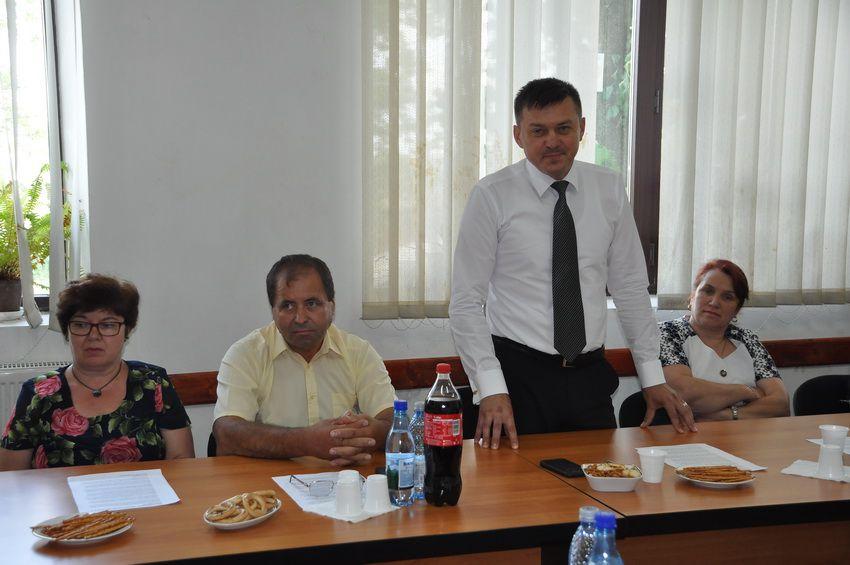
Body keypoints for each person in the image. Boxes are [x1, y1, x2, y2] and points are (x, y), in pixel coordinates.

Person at [450, 78, 696, 450]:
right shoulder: (491, 195)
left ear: (582, 128)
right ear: (518, 135)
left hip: (589, 377)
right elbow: (466, 302)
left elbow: (630, 289)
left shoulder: (608, 189)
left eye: (563, 128)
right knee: (518, 486)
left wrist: (652, 377)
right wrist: (490, 388)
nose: (552, 141)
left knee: (600, 480)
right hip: (518, 379)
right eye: (538, 131)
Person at [212, 254, 396, 466]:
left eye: (312, 304)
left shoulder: (359, 352)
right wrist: (306, 442)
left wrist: (371, 432)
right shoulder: (246, 354)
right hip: (267, 481)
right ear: (273, 311)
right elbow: (226, 434)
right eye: (288, 306)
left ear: (331, 307)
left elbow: (393, 419)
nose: (300, 318)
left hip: (341, 478)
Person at [0, 274, 194, 470]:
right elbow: (10, 473)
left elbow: (181, 458)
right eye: (81, 324)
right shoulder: (37, 392)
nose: (93, 336)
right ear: (67, 332)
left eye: (108, 325)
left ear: (127, 331)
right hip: (60, 492)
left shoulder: (153, 383)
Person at [659, 259, 789, 421]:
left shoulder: (747, 340)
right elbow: (683, 394)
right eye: (708, 291)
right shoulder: (668, 332)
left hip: (748, 434)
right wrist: (746, 391)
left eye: (727, 297)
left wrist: (726, 415)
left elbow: (780, 404)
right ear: (692, 296)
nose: (714, 302)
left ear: (736, 310)